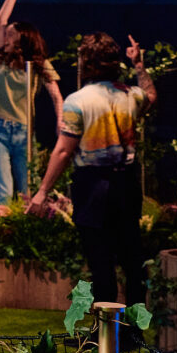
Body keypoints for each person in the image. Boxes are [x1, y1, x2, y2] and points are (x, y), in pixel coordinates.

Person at [27, 32, 155, 305]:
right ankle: (135, 325)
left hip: (93, 187)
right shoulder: (131, 95)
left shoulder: (78, 101)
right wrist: (139, 65)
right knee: (132, 260)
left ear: (86, 62)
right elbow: (151, 96)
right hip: (127, 184)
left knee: (101, 262)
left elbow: (64, 150)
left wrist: (42, 191)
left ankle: (106, 327)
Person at [0, 0, 64, 204]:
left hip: (23, 131)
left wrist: (60, 121)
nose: (5, 37)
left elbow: (56, 95)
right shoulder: (3, 58)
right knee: (1, 191)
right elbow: (0, 20)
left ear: (22, 40)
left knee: (29, 188)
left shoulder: (38, 64)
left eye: (10, 35)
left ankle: (29, 224)